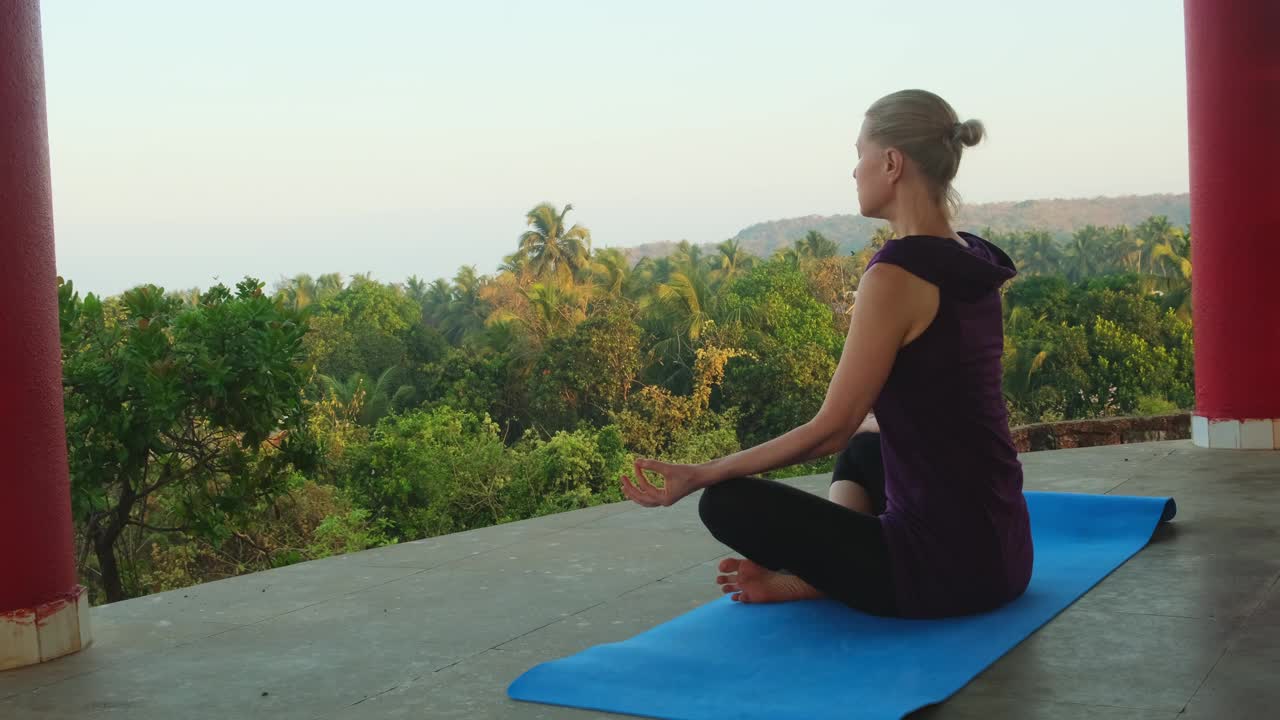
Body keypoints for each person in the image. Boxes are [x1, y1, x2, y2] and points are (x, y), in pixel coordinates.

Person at [619, 89, 1033, 619]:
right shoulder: (969, 256)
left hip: (944, 575)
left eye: (859, 154)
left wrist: (703, 471)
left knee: (726, 502)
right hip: (1005, 553)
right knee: (863, 449)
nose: (854, 171)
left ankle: (819, 580)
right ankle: (834, 571)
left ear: (891, 163)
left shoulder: (896, 275)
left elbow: (827, 429)